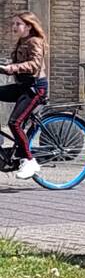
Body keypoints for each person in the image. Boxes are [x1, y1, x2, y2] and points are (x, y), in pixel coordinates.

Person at [0, 12, 48, 179]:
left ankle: (29, 161)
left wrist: (11, 68)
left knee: (15, 122)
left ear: (28, 26)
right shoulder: (22, 41)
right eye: (13, 24)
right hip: (23, 86)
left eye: (18, 24)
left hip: (35, 89)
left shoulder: (35, 41)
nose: (14, 27)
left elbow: (34, 65)